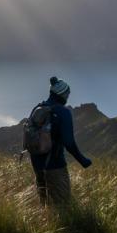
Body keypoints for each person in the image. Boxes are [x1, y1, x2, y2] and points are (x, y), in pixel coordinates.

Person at [28, 76, 91, 205]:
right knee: (63, 207)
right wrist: (83, 161)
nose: (68, 97)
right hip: (55, 166)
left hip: (37, 165)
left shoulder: (37, 108)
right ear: (62, 94)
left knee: (45, 204)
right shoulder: (63, 112)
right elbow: (69, 143)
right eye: (67, 94)